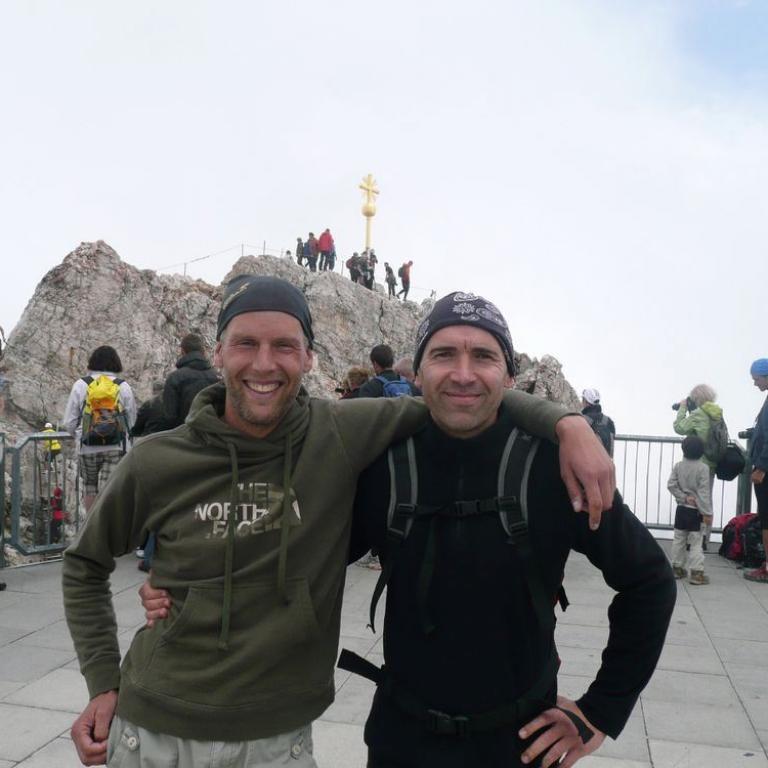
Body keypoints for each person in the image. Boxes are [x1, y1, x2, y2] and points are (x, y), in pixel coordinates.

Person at [65, 276, 614, 768]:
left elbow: (461, 396)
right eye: (246, 344)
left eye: (285, 346)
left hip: (277, 735)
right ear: (218, 353)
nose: (264, 364)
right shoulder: (157, 460)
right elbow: (85, 564)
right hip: (154, 727)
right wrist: (102, 682)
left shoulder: (340, 433)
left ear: (309, 357)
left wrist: (567, 424)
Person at [340, 291, 675, 768]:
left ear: (509, 376)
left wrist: (600, 710)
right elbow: (307, 565)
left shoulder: (555, 467)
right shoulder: (384, 464)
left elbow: (649, 580)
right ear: (419, 372)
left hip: (521, 744)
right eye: (443, 354)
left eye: (483, 356)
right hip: (401, 741)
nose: (463, 373)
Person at [62, 345, 136, 513]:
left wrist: (78, 434)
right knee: (111, 488)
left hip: (87, 446)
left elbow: (69, 422)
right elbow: (132, 421)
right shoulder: (123, 386)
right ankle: (109, 524)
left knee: (90, 488)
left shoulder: (81, 385)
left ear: (92, 362)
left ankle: (92, 523)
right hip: (116, 446)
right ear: (116, 363)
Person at [673, 383, 723, 548]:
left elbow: (679, 427)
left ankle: (691, 538)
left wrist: (682, 408)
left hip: (696, 463)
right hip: (711, 463)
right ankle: (704, 538)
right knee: (706, 499)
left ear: (696, 398)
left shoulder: (698, 414)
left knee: (691, 500)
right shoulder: (716, 413)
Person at [667, 435, 712, 585]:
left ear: (683, 449)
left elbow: (671, 485)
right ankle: (696, 573)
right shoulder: (703, 468)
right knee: (696, 542)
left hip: (681, 509)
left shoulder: (678, 466)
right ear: (702, 451)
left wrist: (683, 497)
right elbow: (704, 493)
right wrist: (707, 513)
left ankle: (677, 568)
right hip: (696, 512)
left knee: (679, 539)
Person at [162, 333, 221, 428]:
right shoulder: (217, 378)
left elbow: (170, 416)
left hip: (184, 434)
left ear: (183, 351)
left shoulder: (175, 378)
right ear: (203, 351)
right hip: (212, 434)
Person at [745, 358, 768, 583]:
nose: (755, 383)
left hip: (766, 469)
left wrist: (761, 467)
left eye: (757, 379)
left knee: (767, 518)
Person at [581, 388, 616, 457]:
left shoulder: (582, 420)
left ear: (586, 402)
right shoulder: (608, 421)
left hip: (588, 460)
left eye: (583, 400)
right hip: (606, 461)